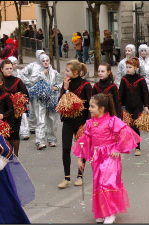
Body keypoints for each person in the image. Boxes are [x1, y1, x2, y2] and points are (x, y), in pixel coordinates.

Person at [72, 93, 142, 224]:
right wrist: (80, 158)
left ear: (102, 109)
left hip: (110, 156)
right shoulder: (89, 124)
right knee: (98, 183)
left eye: (92, 106)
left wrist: (118, 148)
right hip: (96, 156)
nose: (89, 109)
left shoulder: (112, 121)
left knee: (107, 182)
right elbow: (86, 141)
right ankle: (102, 211)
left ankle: (111, 212)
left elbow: (126, 133)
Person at [58, 60, 92, 189]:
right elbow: (60, 102)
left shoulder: (86, 85)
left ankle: (80, 176)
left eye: (67, 71)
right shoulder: (66, 84)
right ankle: (66, 177)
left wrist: (87, 123)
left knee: (81, 149)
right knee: (66, 148)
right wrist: (65, 89)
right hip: (67, 120)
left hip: (81, 122)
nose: (65, 73)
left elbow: (90, 105)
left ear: (76, 72)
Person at [25, 54, 62, 149]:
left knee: (52, 120)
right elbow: (31, 82)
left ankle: (52, 139)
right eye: (43, 61)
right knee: (41, 120)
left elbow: (60, 82)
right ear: (40, 62)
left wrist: (56, 87)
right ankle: (40, 141)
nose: (45, 62)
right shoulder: (36, 73)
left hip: (52, 99)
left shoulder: (54, 72)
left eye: (47, 60)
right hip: (40, 99)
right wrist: (42, 75)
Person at [119, 57, 149, 156]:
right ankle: (128, 144)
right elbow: (121, 93)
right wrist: (119, 106)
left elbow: (145, 93)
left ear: (136, 68)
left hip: (138, 106)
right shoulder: (124, 79)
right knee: (129, 126)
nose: (128, 69)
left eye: (130, 67)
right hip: (127, 106)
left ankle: (137, 147)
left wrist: (146, 106)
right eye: (127, 67)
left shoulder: (140, 79)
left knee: (135, 125)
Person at [0, 59, 29, 157]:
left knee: (14, 134)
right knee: (4, 134)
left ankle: (15, 155)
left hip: (15, 113)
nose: (9, 70)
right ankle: (6, 154)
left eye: (10, 68)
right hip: (3, 112)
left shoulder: (17, 81)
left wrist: (19, 102)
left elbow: (26, 96)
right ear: (2, 70)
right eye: (6, 68)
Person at [20, 50, 46, 135]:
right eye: (40, 55)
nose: (42, 57)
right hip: (34, 91)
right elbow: (22, 73)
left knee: (43, 111)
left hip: (45, 92)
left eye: (43, 54)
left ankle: (42, 128)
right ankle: (32, 126)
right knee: (34, 110)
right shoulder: (32, 66)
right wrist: (29, 82)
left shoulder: (47, 65)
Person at [8, 56, 30, 140]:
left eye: (16, 63)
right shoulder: (7, 74)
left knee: (23, 115)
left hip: (19, 99)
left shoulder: (19, 72)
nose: (15, 65)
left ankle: (25, 132)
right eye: (14, 63)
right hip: (9, 99)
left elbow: (24, 81)